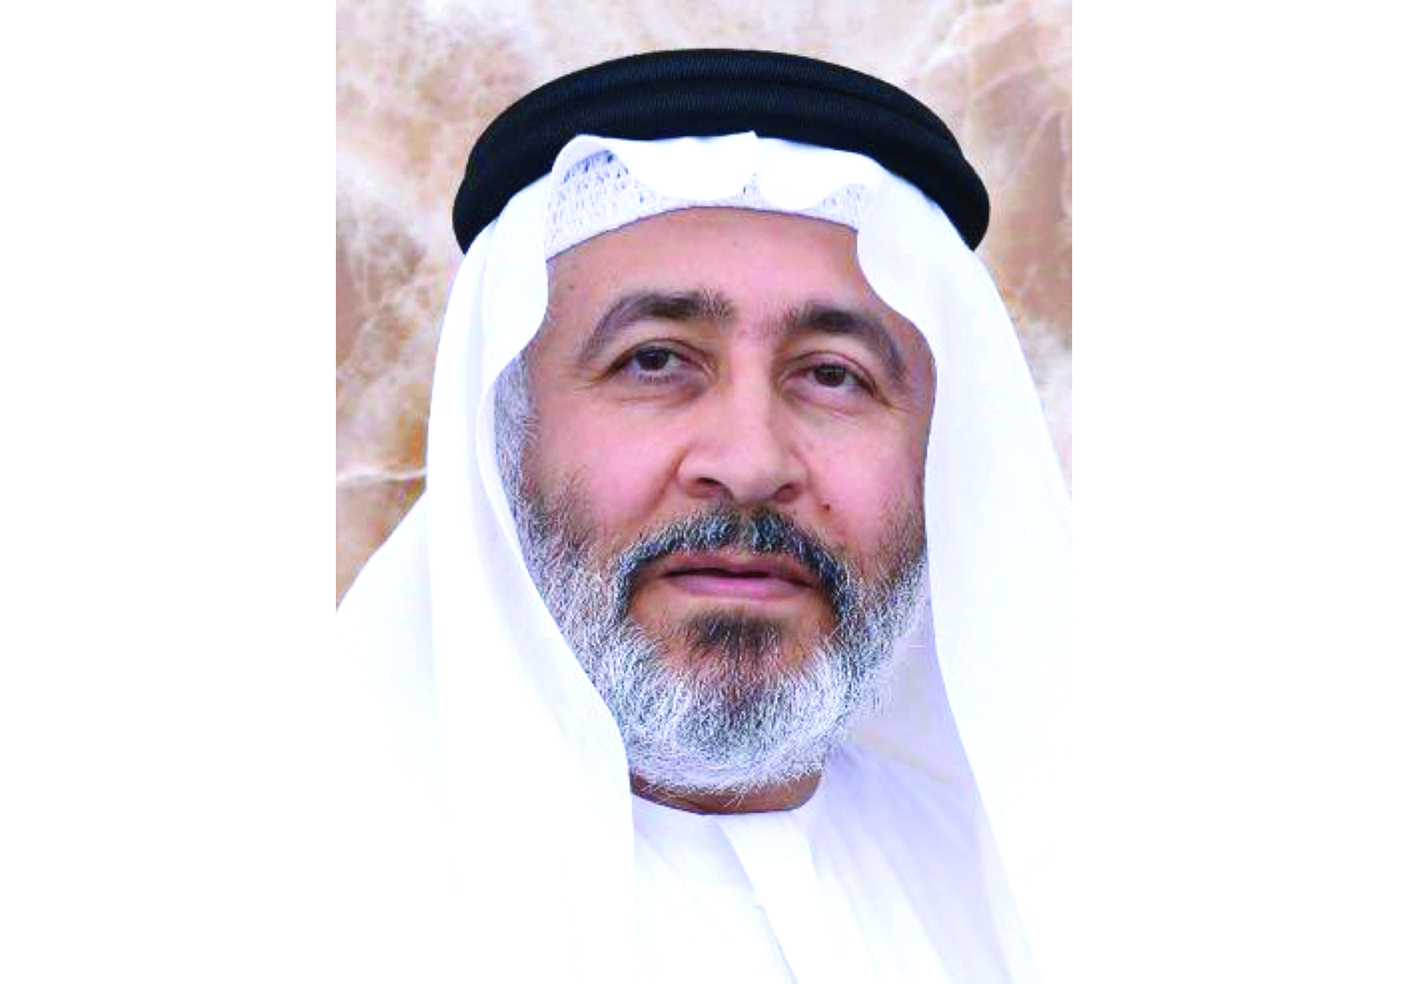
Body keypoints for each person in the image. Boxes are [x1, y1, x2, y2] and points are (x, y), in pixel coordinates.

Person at [337, 49, 1070, 983]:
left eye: (833, 375)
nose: (751, 463)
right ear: (504, 435)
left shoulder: (1030, 900)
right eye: (654, 361)